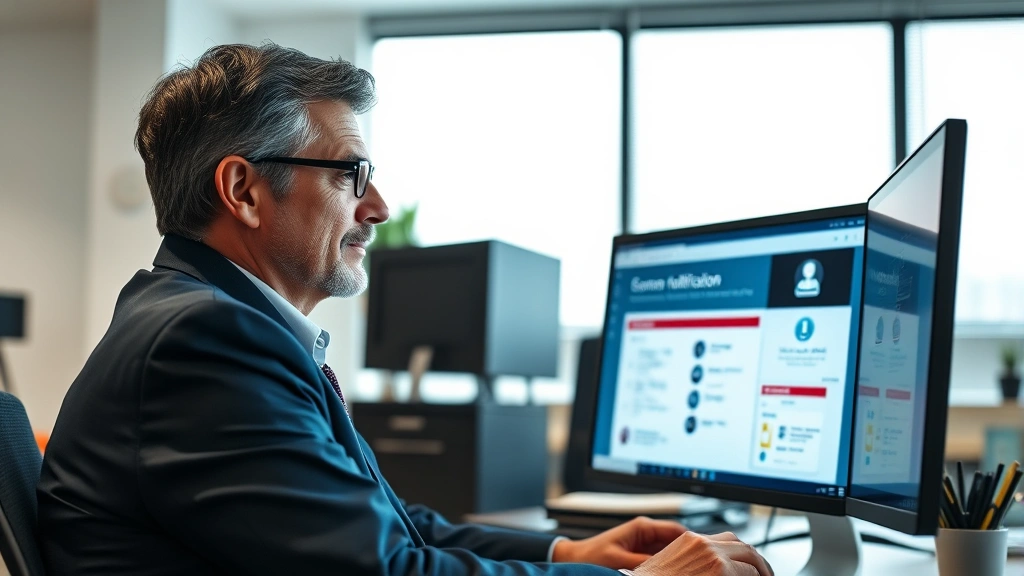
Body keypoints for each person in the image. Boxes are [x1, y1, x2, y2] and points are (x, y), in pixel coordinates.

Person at [36, 43, 772, 576]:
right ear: (245, 191)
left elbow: (388, 531)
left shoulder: (214, 321)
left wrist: (567, 551)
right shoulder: (203, 342)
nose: (380, 208)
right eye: (352, 175)